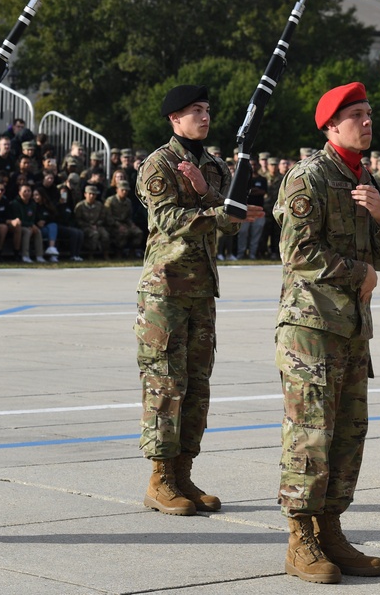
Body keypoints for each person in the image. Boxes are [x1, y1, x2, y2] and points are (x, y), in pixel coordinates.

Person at [274, 82, 380, 583]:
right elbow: (297, 254)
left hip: (350, 329)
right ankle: (300, 537)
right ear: (330, 127)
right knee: (311, 434)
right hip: (311, 330)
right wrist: (356, 271)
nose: (367, 122)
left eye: (369, 113)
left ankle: (331, 527)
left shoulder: (365, 178)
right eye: (356, 115)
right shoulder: (310, 178)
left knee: (348, 433)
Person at [134, 85, 260, 518]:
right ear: (174, 119)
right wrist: (216, 211)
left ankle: (183, 471)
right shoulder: (158, 163)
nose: (204, 117)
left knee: (196, 386)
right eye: (194, 111)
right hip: (164, 290)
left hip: (202, 290)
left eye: (206, 110)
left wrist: (207, 191)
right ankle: (160, 478)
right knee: (165, 385)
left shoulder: (216, 166)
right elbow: (166, 219)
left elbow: (227, 223)